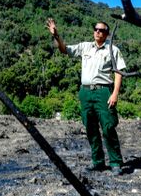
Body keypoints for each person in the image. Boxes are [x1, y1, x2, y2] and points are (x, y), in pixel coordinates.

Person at [46, 18, 126, 176]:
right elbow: (64, 50)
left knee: (108, 127)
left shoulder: (113, 50)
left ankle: (116, 162)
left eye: (101, 30)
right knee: (90, 128)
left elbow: (119, 72)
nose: (97, 32)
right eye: (96, 29)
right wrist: (56, 35)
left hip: (104, 92)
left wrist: (115, 93)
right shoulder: (85, 47)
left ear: (107, 34)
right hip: (86, 92)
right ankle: (98, 162)